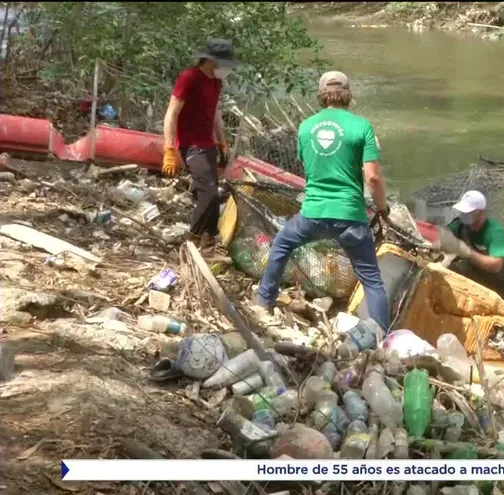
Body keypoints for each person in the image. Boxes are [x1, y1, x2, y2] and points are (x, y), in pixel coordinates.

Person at [254, 71, 391, 331]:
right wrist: (382, 208)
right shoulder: (362, 126)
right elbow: (373, 178)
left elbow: (308, 166)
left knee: (282, 244)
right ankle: (380, 337)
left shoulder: (306, 127)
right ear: (348, 95)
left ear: (321, 95)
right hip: (350, 216)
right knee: (371, 280)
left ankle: (264, 301)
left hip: (313, 213)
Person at [162, 39, 237, 249]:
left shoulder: (215, 81)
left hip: (208, 144)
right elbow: (171, 113)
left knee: (213, 194)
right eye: (227, 64)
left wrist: (222, 143)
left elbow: (215, 114)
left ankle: (209, 238)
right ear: (213, 61)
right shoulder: (190, 78)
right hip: (190, 143)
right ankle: (192, 239)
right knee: (209, 193)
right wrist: (169, 149)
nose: (228, 69)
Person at [434, 190, 504, 305]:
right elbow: (439, 242)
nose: (464, 216)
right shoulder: (459, 225)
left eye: (468, 213)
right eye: (463, 212)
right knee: (448, 270)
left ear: (480, 212)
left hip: (502, 283)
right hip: (477, 276)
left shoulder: (495, 231)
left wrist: (466, 252)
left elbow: (496, 265)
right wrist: (440, 245)